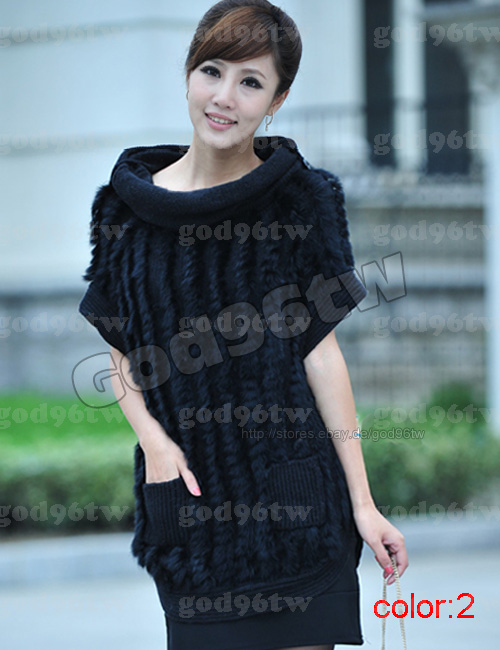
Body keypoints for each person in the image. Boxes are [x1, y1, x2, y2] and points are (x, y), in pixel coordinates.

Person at [78, 1, 408, 649]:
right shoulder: (125, 207)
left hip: (298, 504)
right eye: (212, 71)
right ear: (189, 75)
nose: (225, 97)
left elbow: (321, 355)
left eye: (250, 81)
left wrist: (364, 505)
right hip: (191, 509)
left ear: (277, 100)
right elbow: (120, 350)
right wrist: (154, 444)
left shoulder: (304, 200)